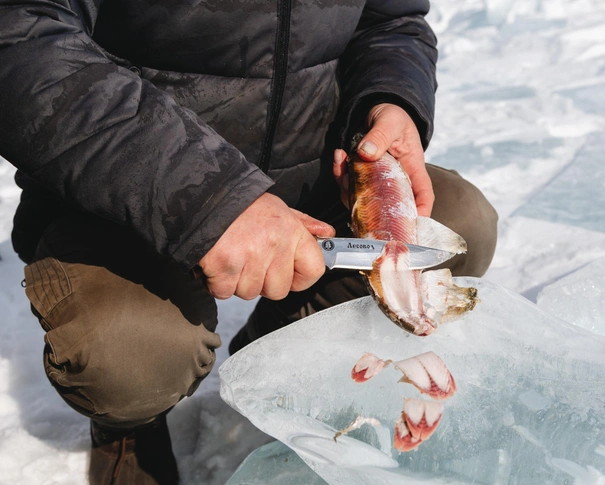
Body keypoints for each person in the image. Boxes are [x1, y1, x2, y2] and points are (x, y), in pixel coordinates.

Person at [0, 0, 498, 483]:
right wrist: (210, 198)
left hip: (313, 185)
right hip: (123, 193)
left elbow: (391, 20)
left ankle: (277, 355)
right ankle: (127, 430)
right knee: (130, 359)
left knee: (462, 225)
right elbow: (18, 33)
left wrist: (389, 98)